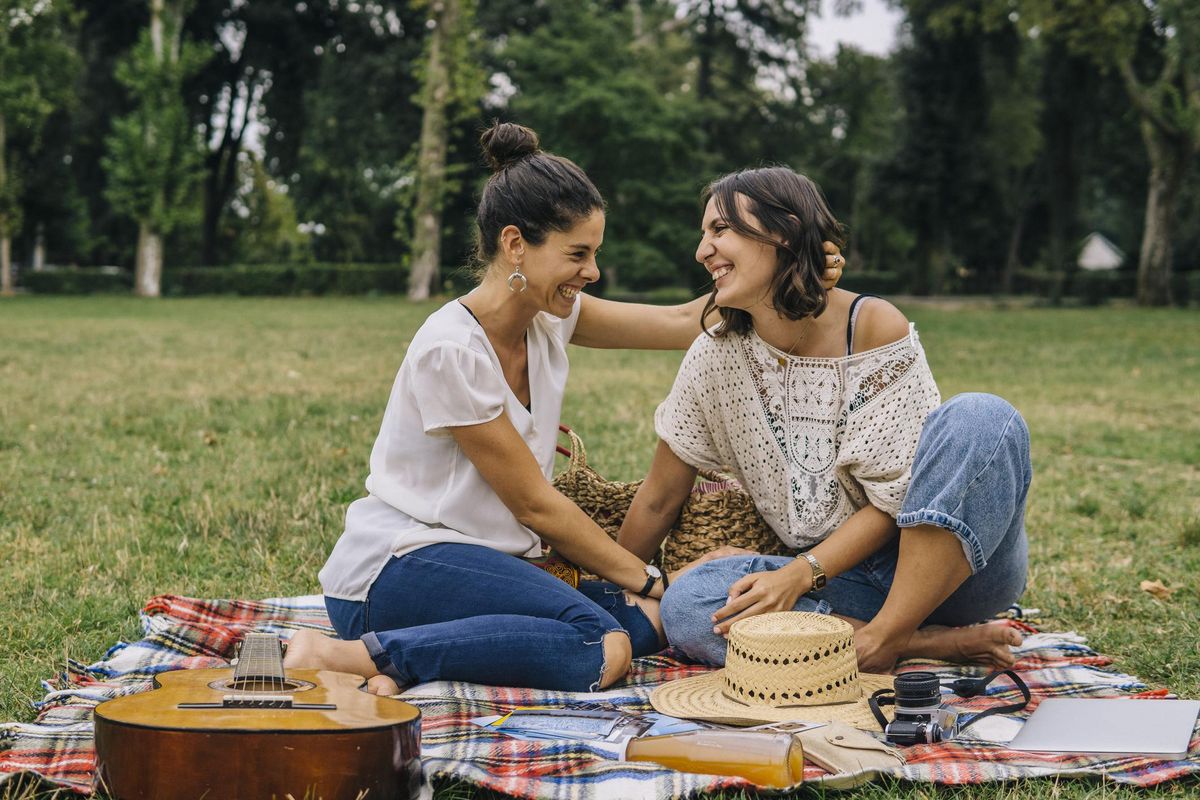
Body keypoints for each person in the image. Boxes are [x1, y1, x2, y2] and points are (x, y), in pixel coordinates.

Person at [284, 124, 847, 694]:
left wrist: (779, 272)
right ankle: (349, 655)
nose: (592, 272)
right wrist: (654, 578)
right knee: (599, 644)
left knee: (653, 624)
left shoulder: (551, 317)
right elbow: (536, 505)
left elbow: (682, 322)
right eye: (577, 254)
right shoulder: (450, 350)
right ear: (514, 245)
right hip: (397, 566)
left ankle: (406, 664)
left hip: (494, 564)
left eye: (594, 253)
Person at [616, 166, 1031, 673]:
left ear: (784, 232)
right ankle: (916, 643)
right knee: (690, 604)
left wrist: (800, 573)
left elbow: (891, 502)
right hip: (845, 584)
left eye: (720, 229)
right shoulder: (714, 354)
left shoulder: (874, 327)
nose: (702, 250)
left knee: (981, 417)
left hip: (956, 567)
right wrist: (615, 588)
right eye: (704, 234)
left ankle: (886, 636)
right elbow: (659, 498)